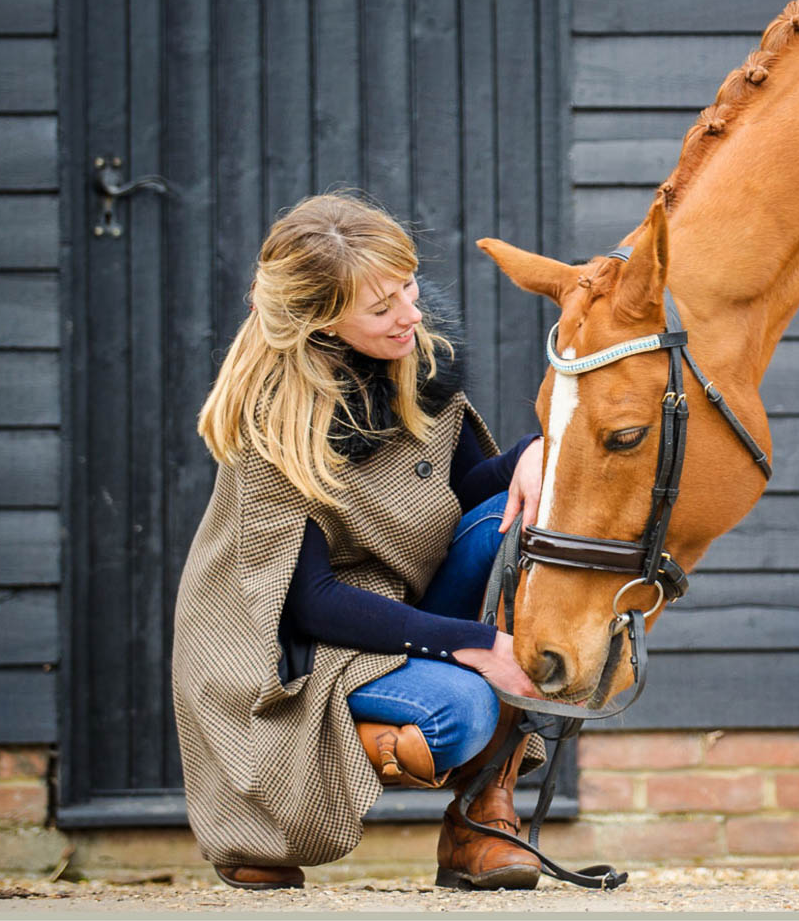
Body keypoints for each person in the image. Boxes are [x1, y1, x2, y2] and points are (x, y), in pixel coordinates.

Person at [170, 191, 549, 891]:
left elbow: (467, 496)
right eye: (381, 308)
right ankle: (365, 740)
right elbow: (308, 603)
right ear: (321, 321)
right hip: (304, 642)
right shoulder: (273, 424)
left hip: (400, 598)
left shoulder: (416, 359)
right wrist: (481, 647)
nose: (410, 313)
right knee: (462, 709)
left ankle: (478, 822)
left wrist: (536, 451)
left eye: (407, 286)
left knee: (521, 512)